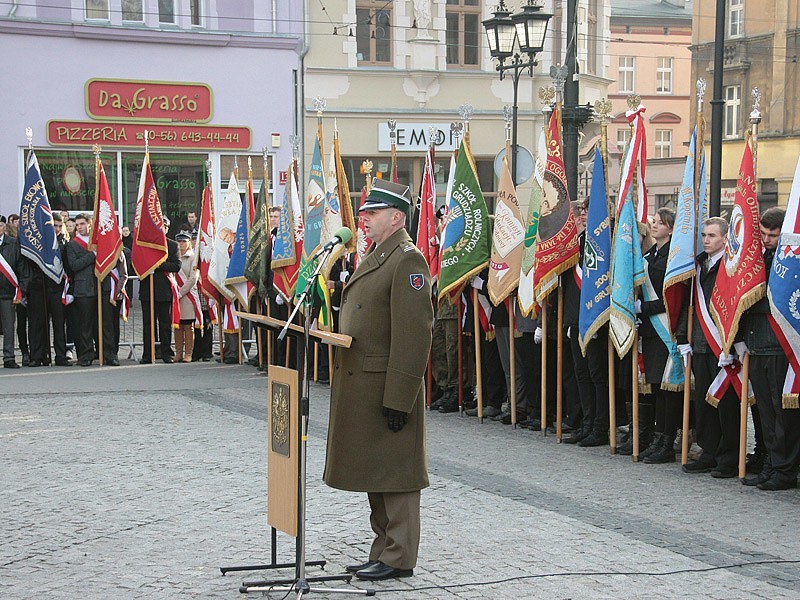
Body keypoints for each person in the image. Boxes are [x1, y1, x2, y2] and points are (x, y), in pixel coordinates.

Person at [324, 178, 433, 581]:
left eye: (372, 214)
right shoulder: (377, 254)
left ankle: (399, 555)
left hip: (389, 386)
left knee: (397, 475)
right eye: (364, 213)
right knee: (377, 471)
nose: (364, 220)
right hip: (365, 385)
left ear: (396, 217)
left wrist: (400, 396)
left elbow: (415, 333)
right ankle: (383, 549)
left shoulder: (407, 260)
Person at [742, 207, 799, 490]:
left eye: (772, 235)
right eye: (763, 234)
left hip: (779, 346)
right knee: (764, 412)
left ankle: (785, 470)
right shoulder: (758, 258)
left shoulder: (790, 262)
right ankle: (772, 463)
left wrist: (751, 299)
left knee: (781, 414)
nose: (766, 240)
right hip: (757, 343)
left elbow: (781, 301)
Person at [681, 217, 741, 478]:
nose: (706, 240)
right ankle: (709, 451)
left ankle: (729, 456)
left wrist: (735, 344)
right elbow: (689, 305)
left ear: (725, 238)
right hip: (701, 343)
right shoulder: (698, 266)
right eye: (704, 235)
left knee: (726, 403)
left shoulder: (731, 266)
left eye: (712, 236)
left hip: (723, 346)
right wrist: (684, 337)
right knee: (704, 400)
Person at [637, 208, 687, 463]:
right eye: (653, 222)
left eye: (660, 223)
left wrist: (643, 308)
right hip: (650, 329)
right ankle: (658, 438)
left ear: (671, 227)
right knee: (656, 386)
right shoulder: (649, 255)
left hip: (667, 328)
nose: (654, 226)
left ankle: (668, 440)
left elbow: (673, 298)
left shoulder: (674, 257)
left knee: (670, 388)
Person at [139, 220, 181, 364]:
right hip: (147, 290)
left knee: (164, 323)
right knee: (148, 324)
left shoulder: (172, 245)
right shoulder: (145, 245)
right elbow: (136, 263)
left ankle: (166, 353)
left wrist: (157, 264)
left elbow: (176, 265)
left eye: (164, 227)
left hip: (164, 290)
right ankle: (148, 353)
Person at [65, 214, 97, 367]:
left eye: (82, 224)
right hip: (83, 288)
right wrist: (92, 256)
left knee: (99, 323)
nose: (79, 227)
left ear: (89, 225)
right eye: (77, 225)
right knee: (84, 324)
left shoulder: (96, 241)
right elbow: (74, 265)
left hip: (99, 286)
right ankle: (85, 355)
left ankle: (103, 352)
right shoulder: (72, 245)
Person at [0, 218, 28, 368]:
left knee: (8, 327)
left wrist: (22, 288)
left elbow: (21, 267)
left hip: (7, 292)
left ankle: (9, 358)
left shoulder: (13, 243)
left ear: (4, 226)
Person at [175, 232, 199, 363]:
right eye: (179, 242)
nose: (181, 244)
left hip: (188, 295)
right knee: (177, 325)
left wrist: (180, 292)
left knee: (188, 325)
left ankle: (188, 354)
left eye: (184, 241)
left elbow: (193, 278)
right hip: (176, 296)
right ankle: (178, 353)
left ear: (189, 242)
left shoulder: (193, 258)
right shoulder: (173, 256)